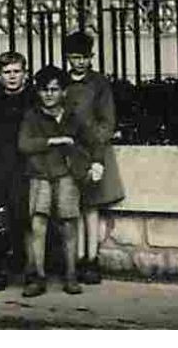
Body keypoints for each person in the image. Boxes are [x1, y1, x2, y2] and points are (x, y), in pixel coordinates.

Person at [18, 65, 103, 298]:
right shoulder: (32, 116)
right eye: (44, 89)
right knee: (38, 225)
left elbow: (94, 141)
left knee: (68, 224)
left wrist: (96, 163)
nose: (49, 94)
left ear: (64, 92)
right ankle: (37, 276)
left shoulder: (73, 116)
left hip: (66, 175)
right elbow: (24, 144)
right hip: (39, 176)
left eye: (54, 89)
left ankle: (71, 275)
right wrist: (54, 141)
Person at [62, 30, 125, 284]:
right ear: (68, 57)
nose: (80, 62)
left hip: (92, 151)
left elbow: (106, 121)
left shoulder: (99, 83)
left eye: (85, 57)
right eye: (75, 57)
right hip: (68, 151)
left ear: (91, 57)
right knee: (72, 207)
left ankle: (91, 258)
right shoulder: (62, 82)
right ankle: (75, 259)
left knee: (91, 208)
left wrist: (96, 154)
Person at [0, 50, 32, 289]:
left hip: (27, 169)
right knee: (0, 221)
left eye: (16, 72)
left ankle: (31, 271)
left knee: (28, 220)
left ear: (25, 73)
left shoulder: (33, 101)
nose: (12, 77)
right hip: (0, 169)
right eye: (6, 72)